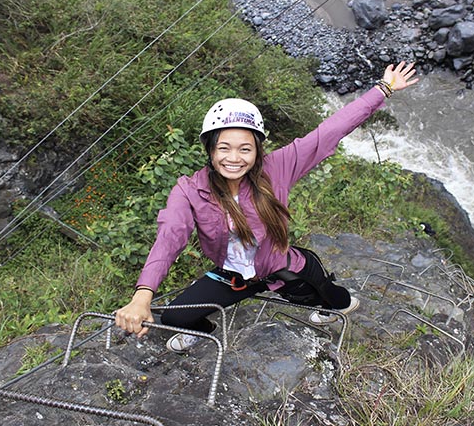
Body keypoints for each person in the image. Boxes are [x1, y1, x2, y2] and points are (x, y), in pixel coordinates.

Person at [114, 62, 420, 353]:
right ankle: (202, 333)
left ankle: (332, 304)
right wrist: (143, 295)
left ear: (258, 150)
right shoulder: (190, 190)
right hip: (232, 277)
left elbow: (330, 131)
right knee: (175, 319)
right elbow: (170, 236)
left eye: (245, 149)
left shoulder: (278, 167)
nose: (234, 158)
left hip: (284, 269)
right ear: (209, 149)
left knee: (336, 300)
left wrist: (383, 88)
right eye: (224, 148)